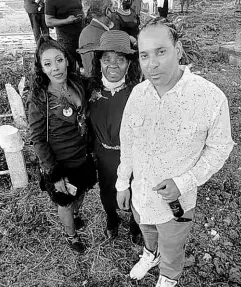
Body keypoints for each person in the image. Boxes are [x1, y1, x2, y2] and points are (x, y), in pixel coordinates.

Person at [116, 17, 234, 286]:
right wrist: (123, 182)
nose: (152, 64)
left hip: (176, 204)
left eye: (161, 51)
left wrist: (184, 183)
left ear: (178, 49)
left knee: (173, 246)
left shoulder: (209, 98)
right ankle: (150, 253)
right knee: (148, 231)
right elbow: (128, 141)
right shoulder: (138, 94)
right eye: (144, 55)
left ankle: (168, 277)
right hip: (141, 194)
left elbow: (219, 149)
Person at [27, 36, 96, 253]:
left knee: (81, 191)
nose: (55, 68)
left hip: (83, 156)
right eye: (48, 64)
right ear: (41, 68)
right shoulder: (40, 99)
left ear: (66, 60)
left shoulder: (77, 83)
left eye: (59, 60)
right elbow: (37, 139)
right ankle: (71, 235)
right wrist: (54, 173)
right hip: (60, 163)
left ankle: (76, 215)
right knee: (65, 202)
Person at [78, 30, 142, 242]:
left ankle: (135, 224)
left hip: (132, 157)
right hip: (103, 154)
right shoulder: (89, 90)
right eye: (107, 59)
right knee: (107, 189)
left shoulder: (139, 92)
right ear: (99, 62)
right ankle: (111, 218)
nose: (113, 65)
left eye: (120, 59)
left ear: (129, 64)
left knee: (135, 190)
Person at [78, 0, 116, 77]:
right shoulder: (105, 37)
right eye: (113, 8)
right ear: (107, 11)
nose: (114, 11)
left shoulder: (85, 31)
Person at [45, 0, 84, 70]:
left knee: (85, 65)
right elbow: (49, 22)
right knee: (70, 66)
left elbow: (80, 9)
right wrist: (67, 21)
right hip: (65, 39)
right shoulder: (50, 1)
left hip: (82, 36)